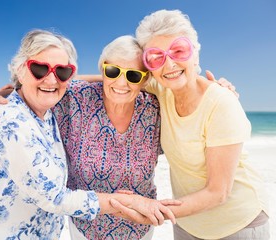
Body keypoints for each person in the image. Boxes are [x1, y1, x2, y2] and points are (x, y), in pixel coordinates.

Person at [0, 29, 179, 240]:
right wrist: (125, 202)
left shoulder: (48, 109)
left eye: (62, 71)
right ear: (20, 69)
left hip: (56, 233)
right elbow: (55, 197)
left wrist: (210, 90)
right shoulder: (11, 121)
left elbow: (186, 102)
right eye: (39, 69)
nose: (51, 79)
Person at [113, 9, 270, 240]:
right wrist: (62, 79)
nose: (169, 65)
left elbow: (218, 192)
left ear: (195, 54)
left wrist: (151, 210)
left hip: (238, 224)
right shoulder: (161, 89)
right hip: (187, 222)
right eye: (156, 57)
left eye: (178, 51)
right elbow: (111, 79)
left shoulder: (221, 103)